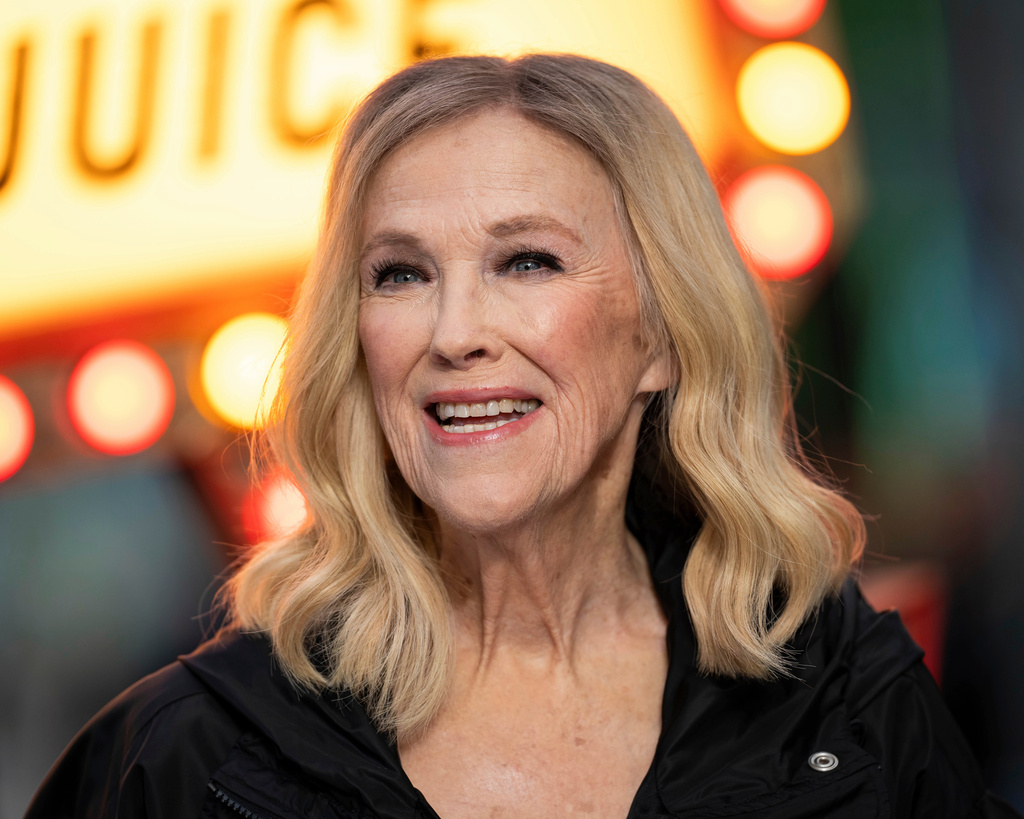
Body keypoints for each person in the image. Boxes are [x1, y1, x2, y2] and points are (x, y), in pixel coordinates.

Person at [27, 54, 1019, 818]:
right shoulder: (180, 756)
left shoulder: (842, 700)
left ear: (662, 339)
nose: (455, 334)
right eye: (400, 275)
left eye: (529, 262)